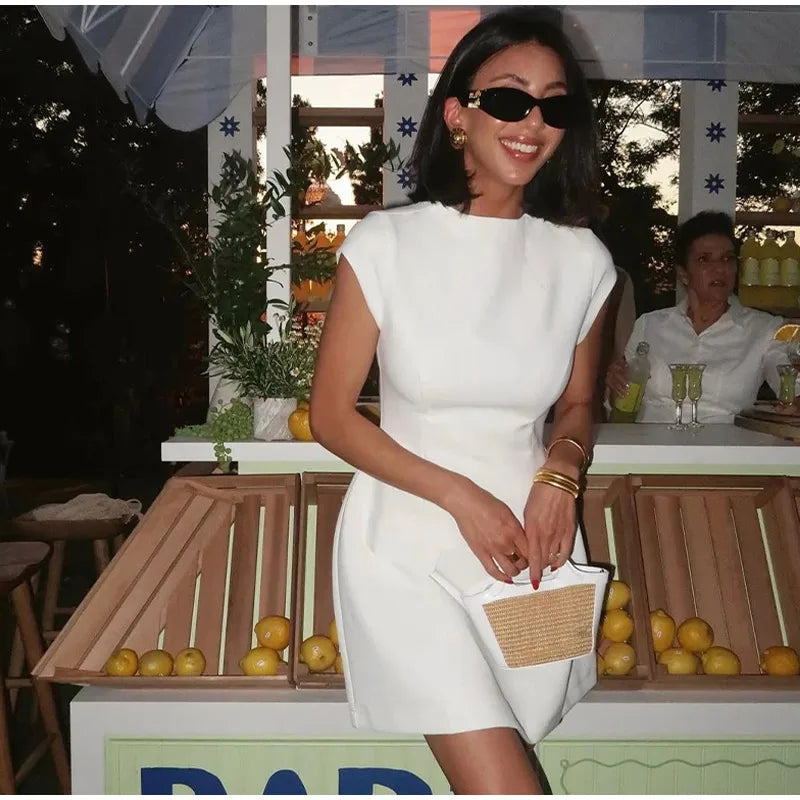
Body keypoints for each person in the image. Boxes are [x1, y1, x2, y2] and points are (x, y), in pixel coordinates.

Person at [310, 9, 616, 795]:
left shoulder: (583, 260)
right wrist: (460, 497)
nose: (532, 122)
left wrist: (561, 476)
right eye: (510, 99)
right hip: (408, 541)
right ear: (457, 114)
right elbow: (332, 416)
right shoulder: (386, 243)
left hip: (528, 550)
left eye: (554, 105)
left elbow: (578, 406)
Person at [607, 211, 789, 424]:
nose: (720, 268)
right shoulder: (649, 325)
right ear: (683, 273)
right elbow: (621, 405)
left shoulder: (764, 330)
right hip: (651, 441)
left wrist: (793, 402)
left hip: (725, 443)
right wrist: (616, 387)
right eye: (704, 259)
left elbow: (791, 385)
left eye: (727, 258)